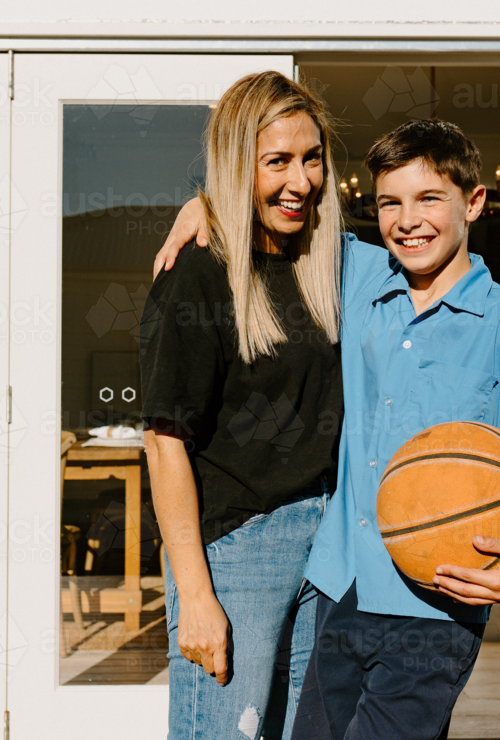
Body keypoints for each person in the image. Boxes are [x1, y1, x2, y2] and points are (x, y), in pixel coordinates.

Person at [155, 120, 500, 740]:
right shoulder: (364, 278)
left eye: (430, 199)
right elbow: (271, 210)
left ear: (474, 202)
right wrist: (201, 207)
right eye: (390, 203)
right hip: (339, 586)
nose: (408, 220)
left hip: (439, 599)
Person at [139, 71, 345, 740]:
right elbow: (165, 440)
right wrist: (195, 595)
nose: (300, 180)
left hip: (324, 539)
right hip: (237, 549)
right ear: (237, 163)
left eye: (311, 158)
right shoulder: (199, 272)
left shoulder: (328, 260)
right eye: (276, 161)